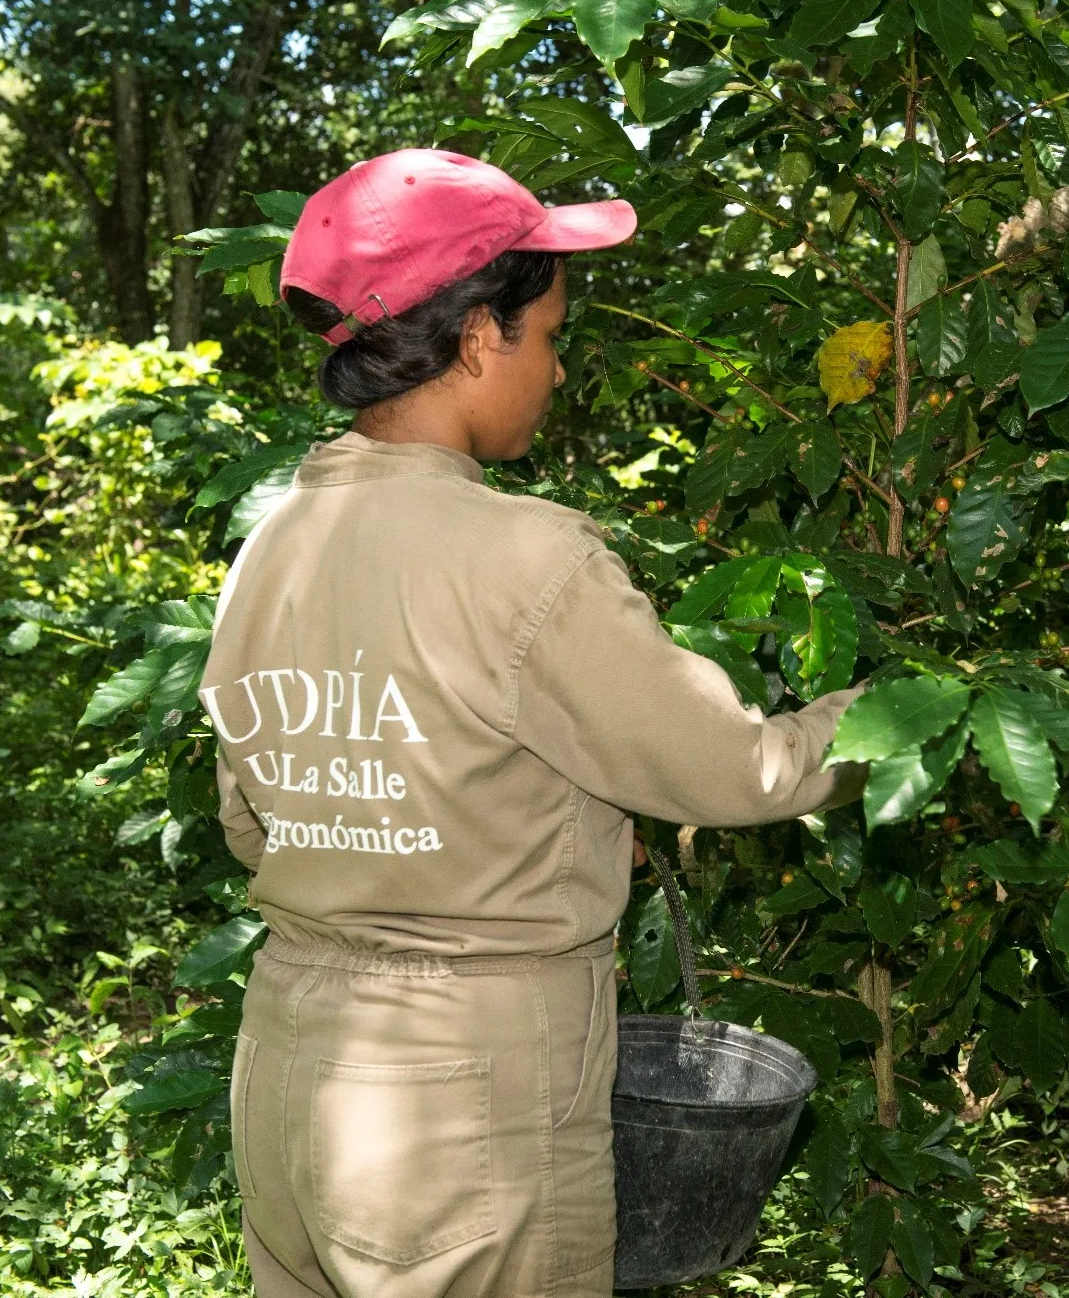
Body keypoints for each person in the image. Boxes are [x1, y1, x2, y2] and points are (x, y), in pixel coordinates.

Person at [200, 148, 864, 1298]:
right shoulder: (526, 558)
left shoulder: (271, 548)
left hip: (291, 1071)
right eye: (549, 335)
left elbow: (255, 822)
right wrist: (893, 720)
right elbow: (743, 769)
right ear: (475, 340)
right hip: (464, 1099)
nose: (556, 368)